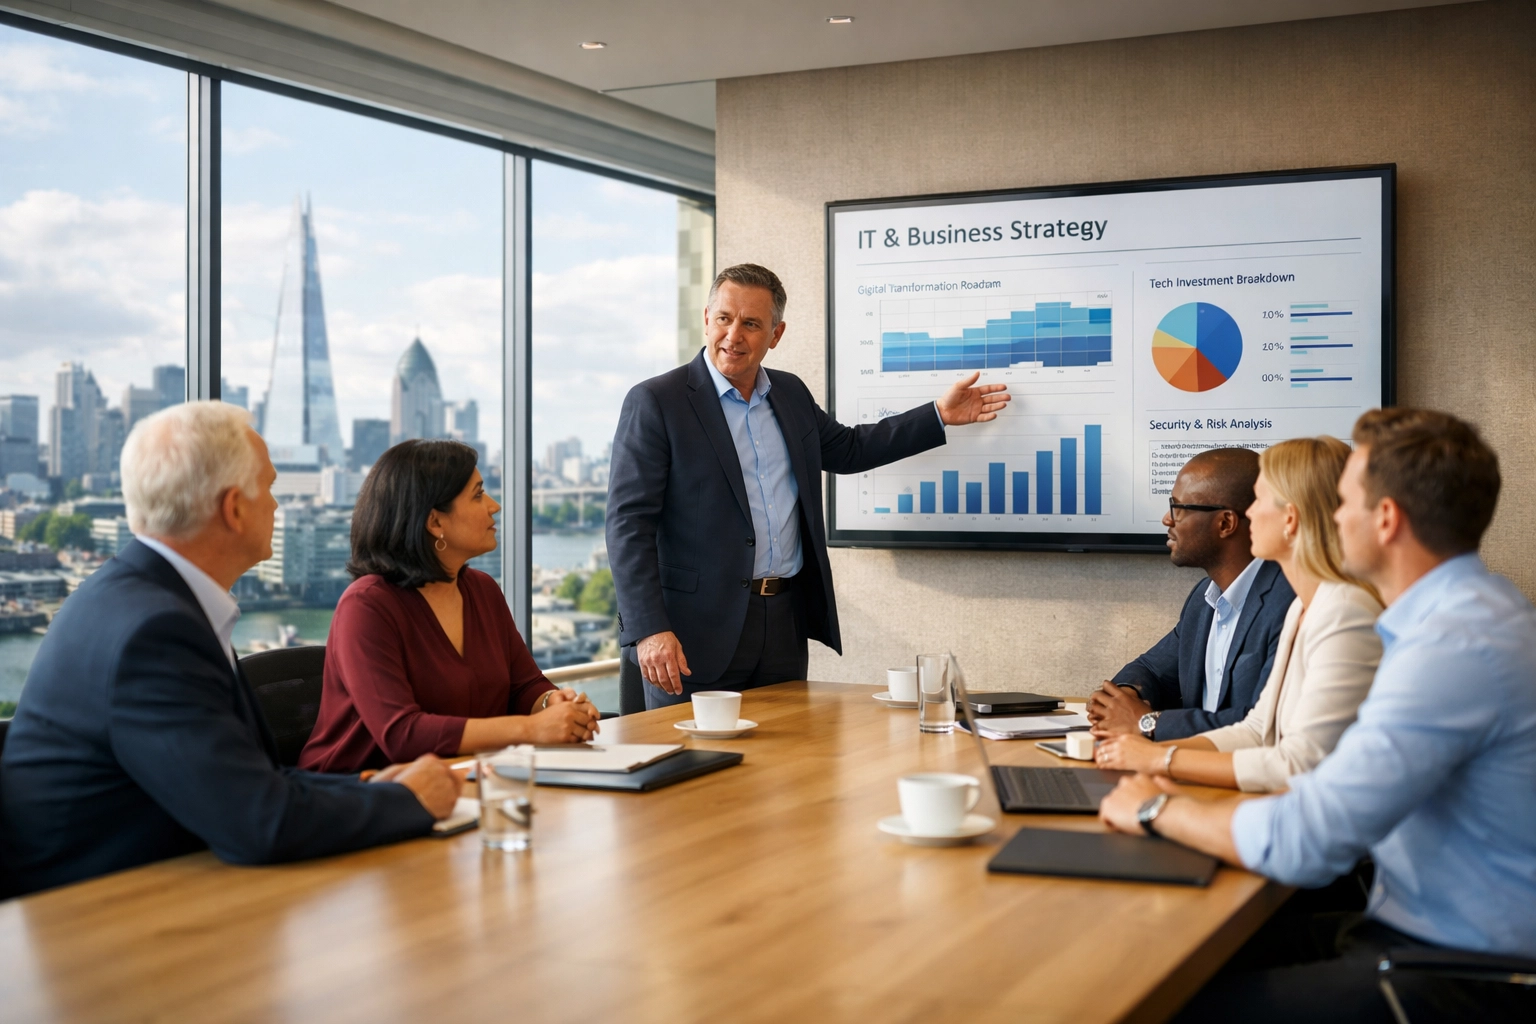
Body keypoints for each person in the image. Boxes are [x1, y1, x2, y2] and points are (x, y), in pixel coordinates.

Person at [1099, 408, 1536, 1022]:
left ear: (1385, 521)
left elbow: (1309, 838)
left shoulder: (1454, 648)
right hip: (1413, 928)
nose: (1329, 517)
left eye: (1344, 502)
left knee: (1161, 1003)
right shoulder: (1467, 618)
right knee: (1148, 956)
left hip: (1460, 970)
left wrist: (1155, 805)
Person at [0, 403, 460, 899]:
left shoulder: (145, 600)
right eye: (269, 488)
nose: (277, 507)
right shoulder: (153, 632)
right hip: (101, 917)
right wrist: (408, 802)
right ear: (234, 508)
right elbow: (259, 821)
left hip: (167, 888)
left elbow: (248, 784)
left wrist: (372, 789)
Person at [607, 263, 1011, 708]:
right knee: (691, 769)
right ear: (706, 318)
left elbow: (852, 448)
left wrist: (937, 415)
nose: (733, 335)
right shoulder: (656, 402)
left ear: (776, 335)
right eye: (724, 318)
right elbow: (628, 525)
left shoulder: (790, 394)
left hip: (782, 624)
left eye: (752, 324)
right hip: (689, 635)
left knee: (783, 769)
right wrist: (649, 629)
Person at [1093, 437, 1383, 791]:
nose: (1250, 513)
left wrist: (1152, 742)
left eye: (1259, 500)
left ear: (1289, 519)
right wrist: (1141, 748)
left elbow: (1296, 762)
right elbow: (1257, 730)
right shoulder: (1304, 609)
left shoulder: (1338, 610)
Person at [300, 440, 599, 774]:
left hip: (463, 782)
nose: (494, 506)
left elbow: (524, 685)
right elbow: (402, 734)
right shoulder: (366, 607)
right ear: (435, 523)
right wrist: (531, 730)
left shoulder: (483, 590)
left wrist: (549, 704)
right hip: (358, 800)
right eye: (477, 494)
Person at [1088, 448, 1296, 741]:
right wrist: (1124, 697)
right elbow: (1151, 668)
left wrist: (1147, 722)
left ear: (1225, 523)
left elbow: (1260, 723)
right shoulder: (1204, 598)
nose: (1167, 519)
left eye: (1178, 508)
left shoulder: (1288, 601)